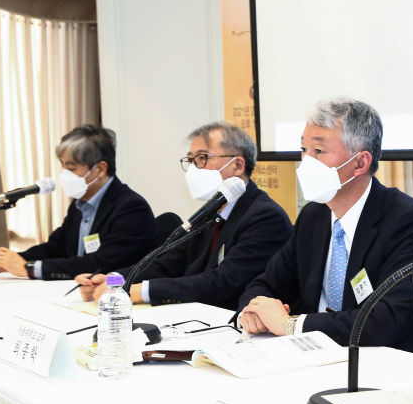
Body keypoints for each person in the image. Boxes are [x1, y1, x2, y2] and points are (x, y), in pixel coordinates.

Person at [237, 98, 413, 352]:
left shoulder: (408, 221)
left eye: (319, 151)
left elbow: (386, 320)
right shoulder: (313, 216)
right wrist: (253, 311)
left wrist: (290, 325)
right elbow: (265, 283)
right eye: (304, 149)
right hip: (309, 355)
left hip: (374, 360)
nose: (306, 161)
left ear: (360, 163)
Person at [74, 122, 292, 308]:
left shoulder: (265, 217)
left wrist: (141, 291)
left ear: (237, 165)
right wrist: (114, 280)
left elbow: (222, 283)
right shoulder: (211, 211)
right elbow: (168, 263)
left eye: (202, 158)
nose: (194, 168)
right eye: (191, 160)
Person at [0, 125, 157, 281]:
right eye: (63, 166)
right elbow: (55, 248)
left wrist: (29, 268)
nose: (64, 175)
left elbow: (100, 264)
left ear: (100, 169)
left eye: (71, 168)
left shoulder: (132, 208)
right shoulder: (80, 203)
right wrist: (10, 259)